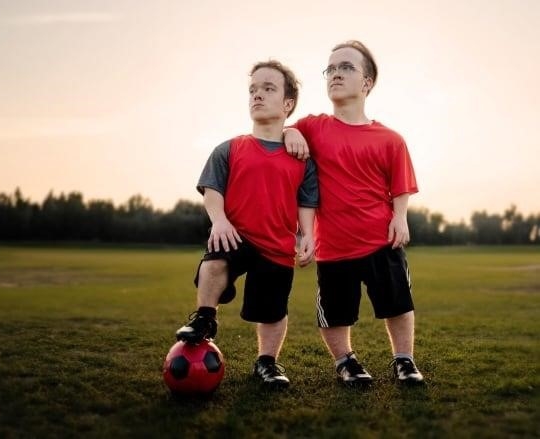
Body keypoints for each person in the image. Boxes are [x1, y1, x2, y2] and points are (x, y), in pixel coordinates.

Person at [283, 40, 424, 386]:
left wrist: (400, 215)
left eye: (346, 67)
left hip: (381, 239)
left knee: (398, 304)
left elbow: (401, 184)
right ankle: (346, 361)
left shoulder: (389, 138)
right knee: (334, 313)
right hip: (332, 245)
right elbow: (281, 133)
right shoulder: (312, 126)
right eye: (330, 69)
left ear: (367, 83)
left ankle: (404, 361)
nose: (335, 74)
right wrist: (289, 132)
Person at [174, 60, 319, 390]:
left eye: (268, 89)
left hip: (277, 244)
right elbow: (212, 190)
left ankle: (267, 362)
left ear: (288, 104)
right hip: (235, 233)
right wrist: (220, 221)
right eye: (253, 89)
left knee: (272, 311)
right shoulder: (229, 148)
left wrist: (308, 235)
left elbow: (306, 202)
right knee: (215, 260)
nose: (257, 95)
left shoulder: (301, 157)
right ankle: (204, 319)